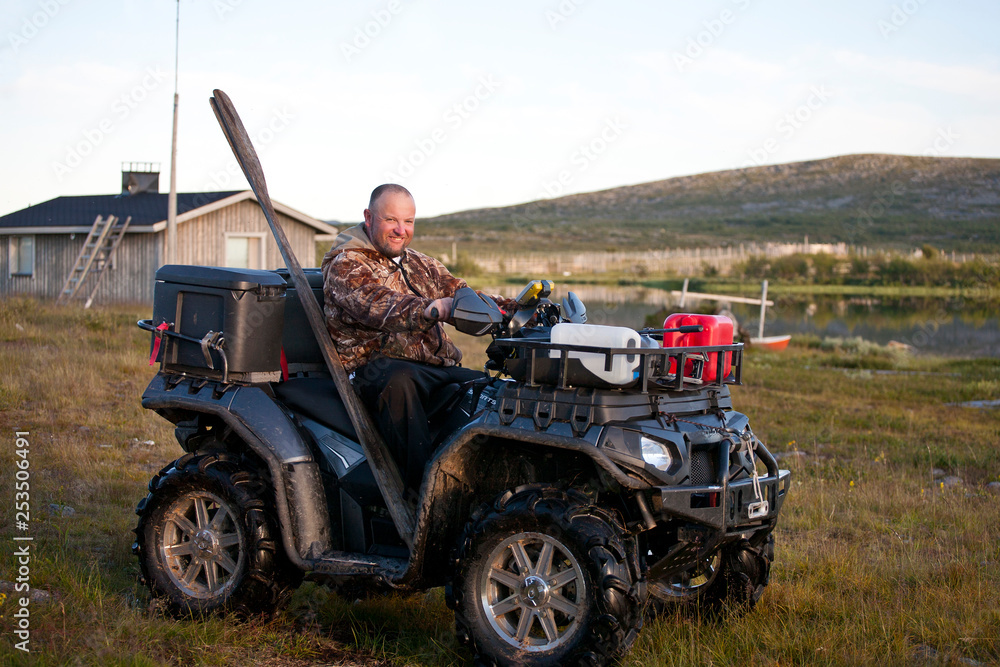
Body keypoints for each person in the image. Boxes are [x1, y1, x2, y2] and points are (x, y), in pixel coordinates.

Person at [321, 184, 513, 491]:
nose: (401, 230)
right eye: (391, 220)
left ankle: (482, 484)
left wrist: (506, 307)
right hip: (374, 370)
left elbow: (461, 292)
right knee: (398, 381)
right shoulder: (346, 264)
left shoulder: (420, 263)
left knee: (488, 388)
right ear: (369, 217)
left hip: (433, 367)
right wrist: (434, 308)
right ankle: (422, 492)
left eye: (408, 221)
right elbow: (377, 305)